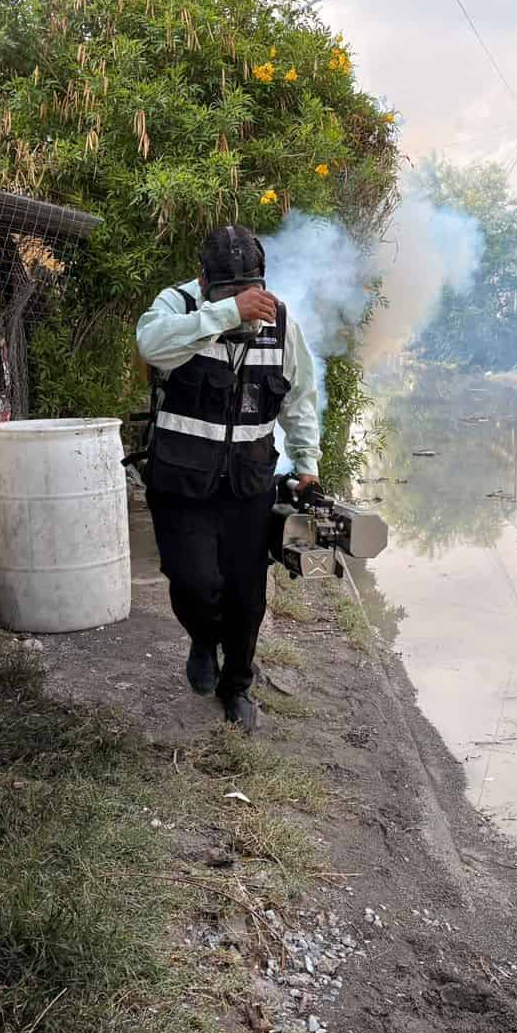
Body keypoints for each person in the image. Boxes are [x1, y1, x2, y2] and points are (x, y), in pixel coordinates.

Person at [134, 225, 321, 732]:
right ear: (202, 279)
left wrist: (307, 464)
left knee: (246, 594)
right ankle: (201, 637)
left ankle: (236, 685)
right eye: (227, 290)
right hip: (181, 482)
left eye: (249, 289)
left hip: (248, 483)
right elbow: (151, 345)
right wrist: (225, 315)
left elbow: (298, 397)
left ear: (262, 280)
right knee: (194, 582)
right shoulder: (177, 305)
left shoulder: (281, 323)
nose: (243, 299)